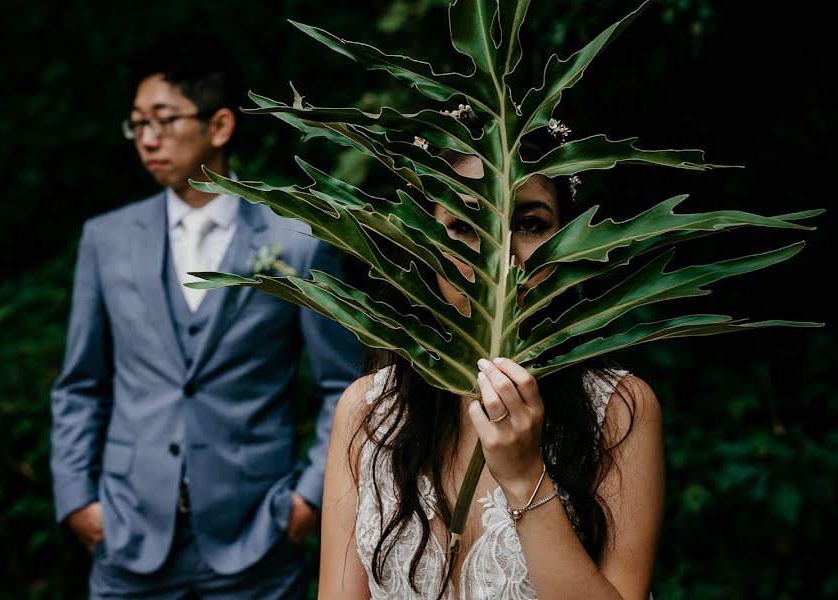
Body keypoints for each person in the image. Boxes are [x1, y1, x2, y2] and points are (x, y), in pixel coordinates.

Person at [50, 35, 362, 599]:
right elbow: (80, 383)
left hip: (257, 536)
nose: (147, 138)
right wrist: (78, 501)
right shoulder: (106, 240)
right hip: (126, 534)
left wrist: (308, 502)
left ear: (219, 126)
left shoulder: (296, 241)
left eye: (164, 120)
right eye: (138, 122)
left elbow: (343, 385)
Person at [318, 150, 665, 599]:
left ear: (572, 240)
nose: (499, 260)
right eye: (465, 226)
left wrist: (525, 479)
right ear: (425, 242)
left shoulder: (619, 409)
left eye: (530, 225)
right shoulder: (370, 413)